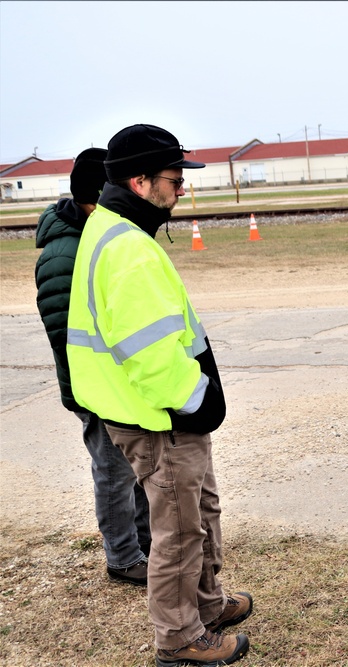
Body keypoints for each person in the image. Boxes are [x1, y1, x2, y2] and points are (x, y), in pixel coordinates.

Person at [66, 124, 252, 666]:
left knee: (200, 510)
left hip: (156, 413)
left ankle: (206, 605)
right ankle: (178, 638)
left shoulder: (113, 229)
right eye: (174, 179)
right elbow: (147, 353)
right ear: (140, 181)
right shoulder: (126, 247)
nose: (181, 190)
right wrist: (196, 399)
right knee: (177, 529)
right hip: (157, 417)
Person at [34, 147, 151, 587]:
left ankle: (144, 544)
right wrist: (94, 393)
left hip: (117, 382)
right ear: (98, 193)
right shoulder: (65, 253)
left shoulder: (99, 235)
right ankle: (122, 558)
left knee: (135, 471)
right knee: (113, 473)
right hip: (95, 387)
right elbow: (69, 341)